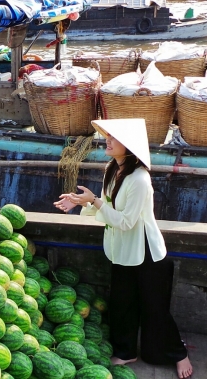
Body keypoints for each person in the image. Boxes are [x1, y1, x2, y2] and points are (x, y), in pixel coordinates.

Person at [54, 119, 193, 379]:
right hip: (122, 250)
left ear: (128, 146)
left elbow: (126, 221)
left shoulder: (140, 179)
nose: (107, 140)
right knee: (121, 304)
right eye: (108, 136)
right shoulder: (111, 169)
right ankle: (127, 351)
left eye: (114, 138)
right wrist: (80, 203)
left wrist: (93, 200)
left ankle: (178, 353)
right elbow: (108, 209)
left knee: (154, 309)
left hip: (146, 253)